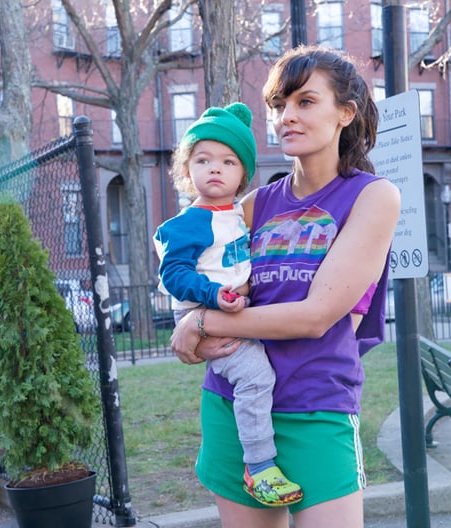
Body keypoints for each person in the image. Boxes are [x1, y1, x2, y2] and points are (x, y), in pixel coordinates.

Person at [169, 45, 400, 528]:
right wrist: (189, 322)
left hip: (316, 407)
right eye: (279, 105)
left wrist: (202, 321)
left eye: (305, 102)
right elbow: (192, 273)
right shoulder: (250, 207)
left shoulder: (372, 197)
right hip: (234, 407)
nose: (286, 117)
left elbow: (315, 318)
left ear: (346, 112)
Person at [153, 102, 302, 507]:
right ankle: (260, 468)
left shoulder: (239, 214)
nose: (215, 168)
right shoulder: (185, 224)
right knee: (255, 376)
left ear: (242, 175)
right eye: (203, 160)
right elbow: (174, 274)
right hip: (203, 313)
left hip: (232, 309)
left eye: (228, 161)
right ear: (188, 171)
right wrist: (211, 296)